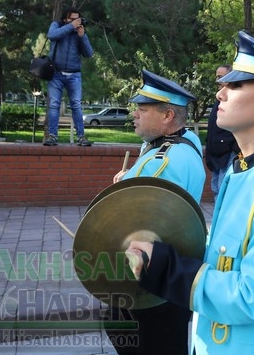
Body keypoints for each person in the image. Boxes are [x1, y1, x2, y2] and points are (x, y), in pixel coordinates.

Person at [124, 30, 254, 354]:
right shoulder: (243, 168)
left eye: (235, 85)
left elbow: (253, 297)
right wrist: (160, 250)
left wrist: (169, 270)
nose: (221, 93)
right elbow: (225, 256)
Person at [105, 69, 206, 355]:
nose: (134, 113)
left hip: (148, 281)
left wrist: (133, 180)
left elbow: (133, 224)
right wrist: (132, 175)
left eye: (142, 108)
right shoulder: (186, 143)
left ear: (167, 117)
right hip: (174, 273)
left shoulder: (161, 163)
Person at [44, 7, 94, 146]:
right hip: (56, 73)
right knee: (54, 105)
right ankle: (52, 136)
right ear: (65, 19)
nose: (76, 22)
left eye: (77, 19)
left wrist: (82, 36)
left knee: (76, 105)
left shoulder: (78, 32)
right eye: (72, 19)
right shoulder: (57, 25)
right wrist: (70, 26)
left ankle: (81, 137)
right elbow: (51, 35)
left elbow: (89, 54)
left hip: (74, 74)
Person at [205, 64, 240, 203]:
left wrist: (233, 149)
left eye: (221, 77)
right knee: (216, 190)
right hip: (215, 156)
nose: (218, 81)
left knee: (223, 192)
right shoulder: (219, 99)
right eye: (217, 77)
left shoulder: (234, 101)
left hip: (228, 155)